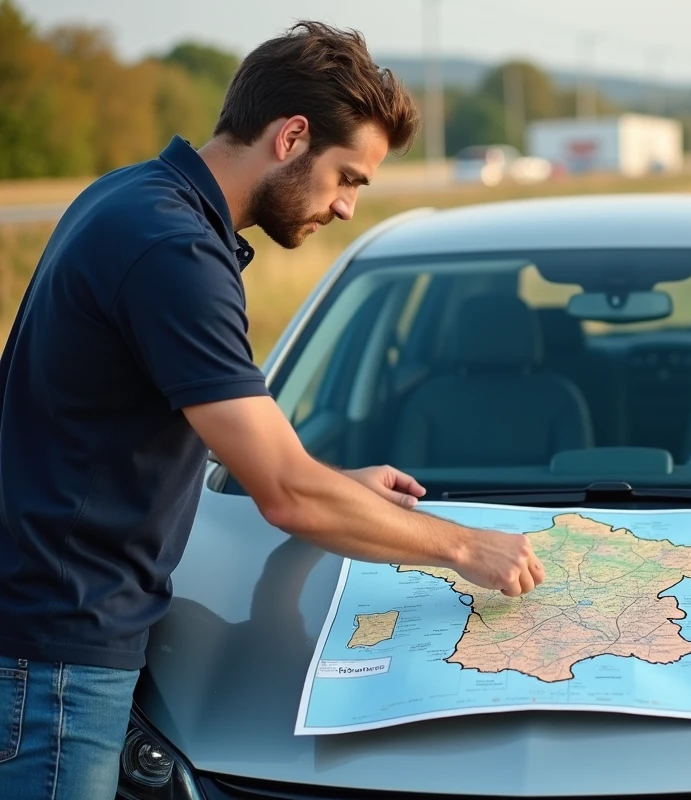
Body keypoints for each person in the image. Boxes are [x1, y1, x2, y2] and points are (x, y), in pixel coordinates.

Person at [0, 21, 545, 799]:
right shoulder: (173, 250)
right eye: (347, 177)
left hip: (48, 636)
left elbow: (159, 425)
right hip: (58, 658)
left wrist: (337, 485)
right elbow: (285, 494)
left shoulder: (131, 198)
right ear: (291, 137)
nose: (348, 206)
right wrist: (464, 547)